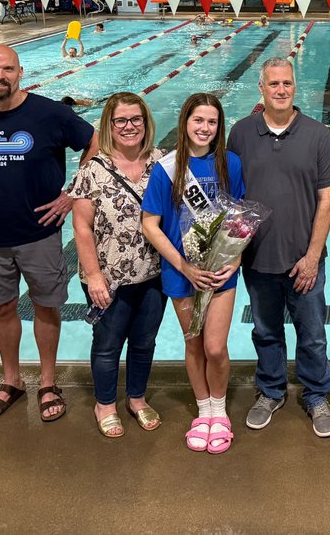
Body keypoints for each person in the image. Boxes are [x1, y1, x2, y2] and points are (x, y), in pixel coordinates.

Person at [0, 44, 99, 423]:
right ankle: (12, 381)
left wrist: (72, 193)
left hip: (41, 232)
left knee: (45, 307)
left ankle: (48, 382)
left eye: (6, 69)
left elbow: (95, 141)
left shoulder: (50, 112)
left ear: (20, 72)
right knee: (2, 308)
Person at [227, 58, 330, 437]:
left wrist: (312, 256)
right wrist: (233, 250)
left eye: (287, 83)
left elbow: (327, 200)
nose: (281, 89)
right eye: (273, 83)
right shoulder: (241, 134)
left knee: (312, 333)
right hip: (258, 259)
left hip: (304, 259)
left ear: (295, 87)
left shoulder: (318, 135)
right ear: (261, 88)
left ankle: (316, 393)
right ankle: (271, 390)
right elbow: (232, 198)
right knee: (266, 331)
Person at [143, 94, 246, 453]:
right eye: (198, 120)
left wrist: (235, 260)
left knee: (215, 347)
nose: (204, 128)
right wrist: (184, 265)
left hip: (220, 272)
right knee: (194, 344)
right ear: (185, 122)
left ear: (220, 127)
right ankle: (203, 412)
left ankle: (219, 409)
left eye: (212, 122)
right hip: (180, 273)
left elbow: (241, 220)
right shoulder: (165, 169)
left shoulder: (230, 165)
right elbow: (151, 225)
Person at [69, 93, 165, 439]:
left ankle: (136, 398)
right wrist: (93, 275)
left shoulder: (162, 162)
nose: (129, 127)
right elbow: (81, 226)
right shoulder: (93, 168)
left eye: (135, 119)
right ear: (109, 125)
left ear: (145, 122)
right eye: (121, 120)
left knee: (144, 340)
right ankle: (105, 403)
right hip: (108, 277)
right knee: (108, 342)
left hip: (153, 274)